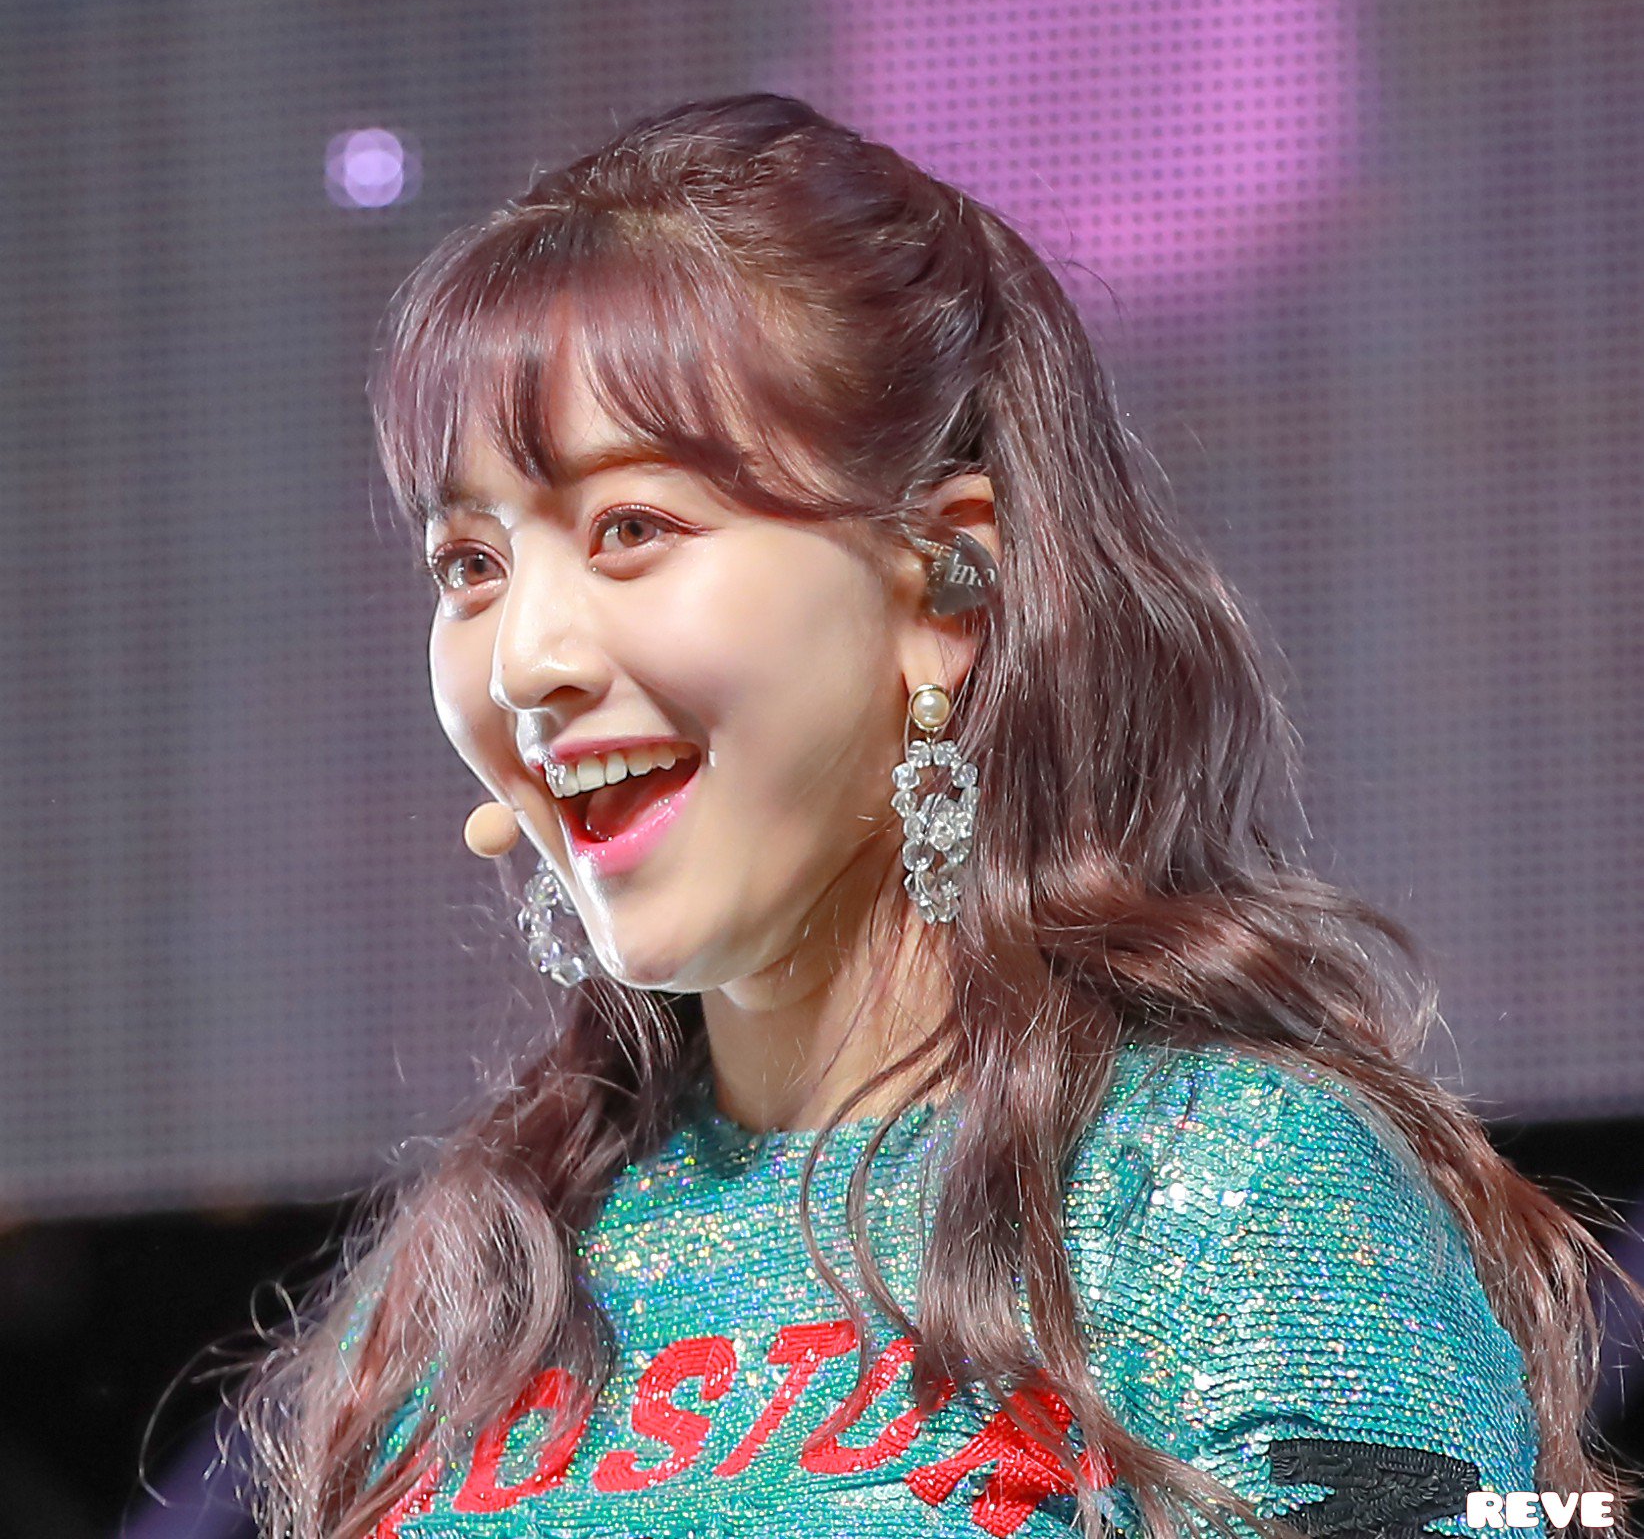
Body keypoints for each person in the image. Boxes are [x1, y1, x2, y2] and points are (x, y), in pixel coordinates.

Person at [237, 94, 1625, 1539]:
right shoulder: (470, 1297)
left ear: (947, 589)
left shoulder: (1231, 1196)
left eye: (631, 529)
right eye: (469, 564)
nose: (525, 662)